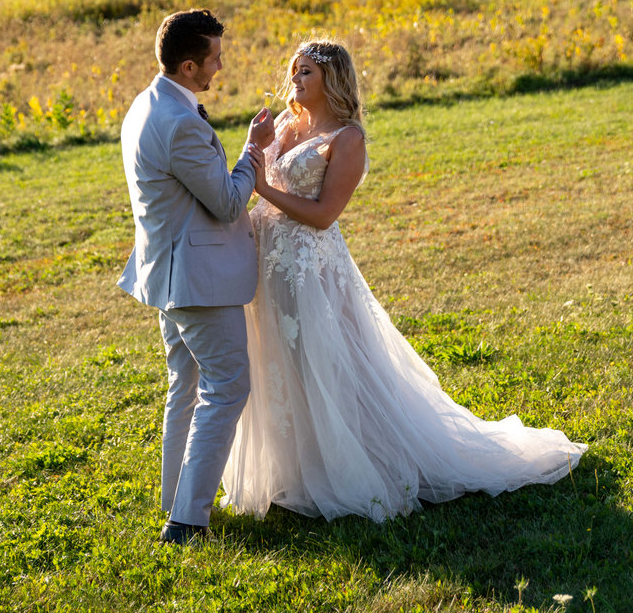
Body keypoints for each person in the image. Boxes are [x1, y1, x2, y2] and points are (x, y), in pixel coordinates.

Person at [221, 41, 586, 522]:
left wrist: (265, 188)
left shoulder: (347, 139)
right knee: (276, 360)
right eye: (294, 71)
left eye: (306, 72)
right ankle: (292, 466)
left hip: (310, 266)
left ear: (332, 80)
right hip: (267, 262)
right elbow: (251, 173)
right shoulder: (286, 124)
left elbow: (325, 215)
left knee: (326, 358)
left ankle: (348, 464)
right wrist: (256, 145)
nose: (296, 80)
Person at [116, 8, 275, 544]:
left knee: (184, 387)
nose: (220, 66)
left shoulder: (147, 103)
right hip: (198, 280)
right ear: (188, 65)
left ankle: (175, 500)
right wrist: (255, 149)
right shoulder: (181, 122)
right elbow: (230, 202)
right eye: (214, 58)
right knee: (227, 388)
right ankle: (186, 521)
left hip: (166, 274)